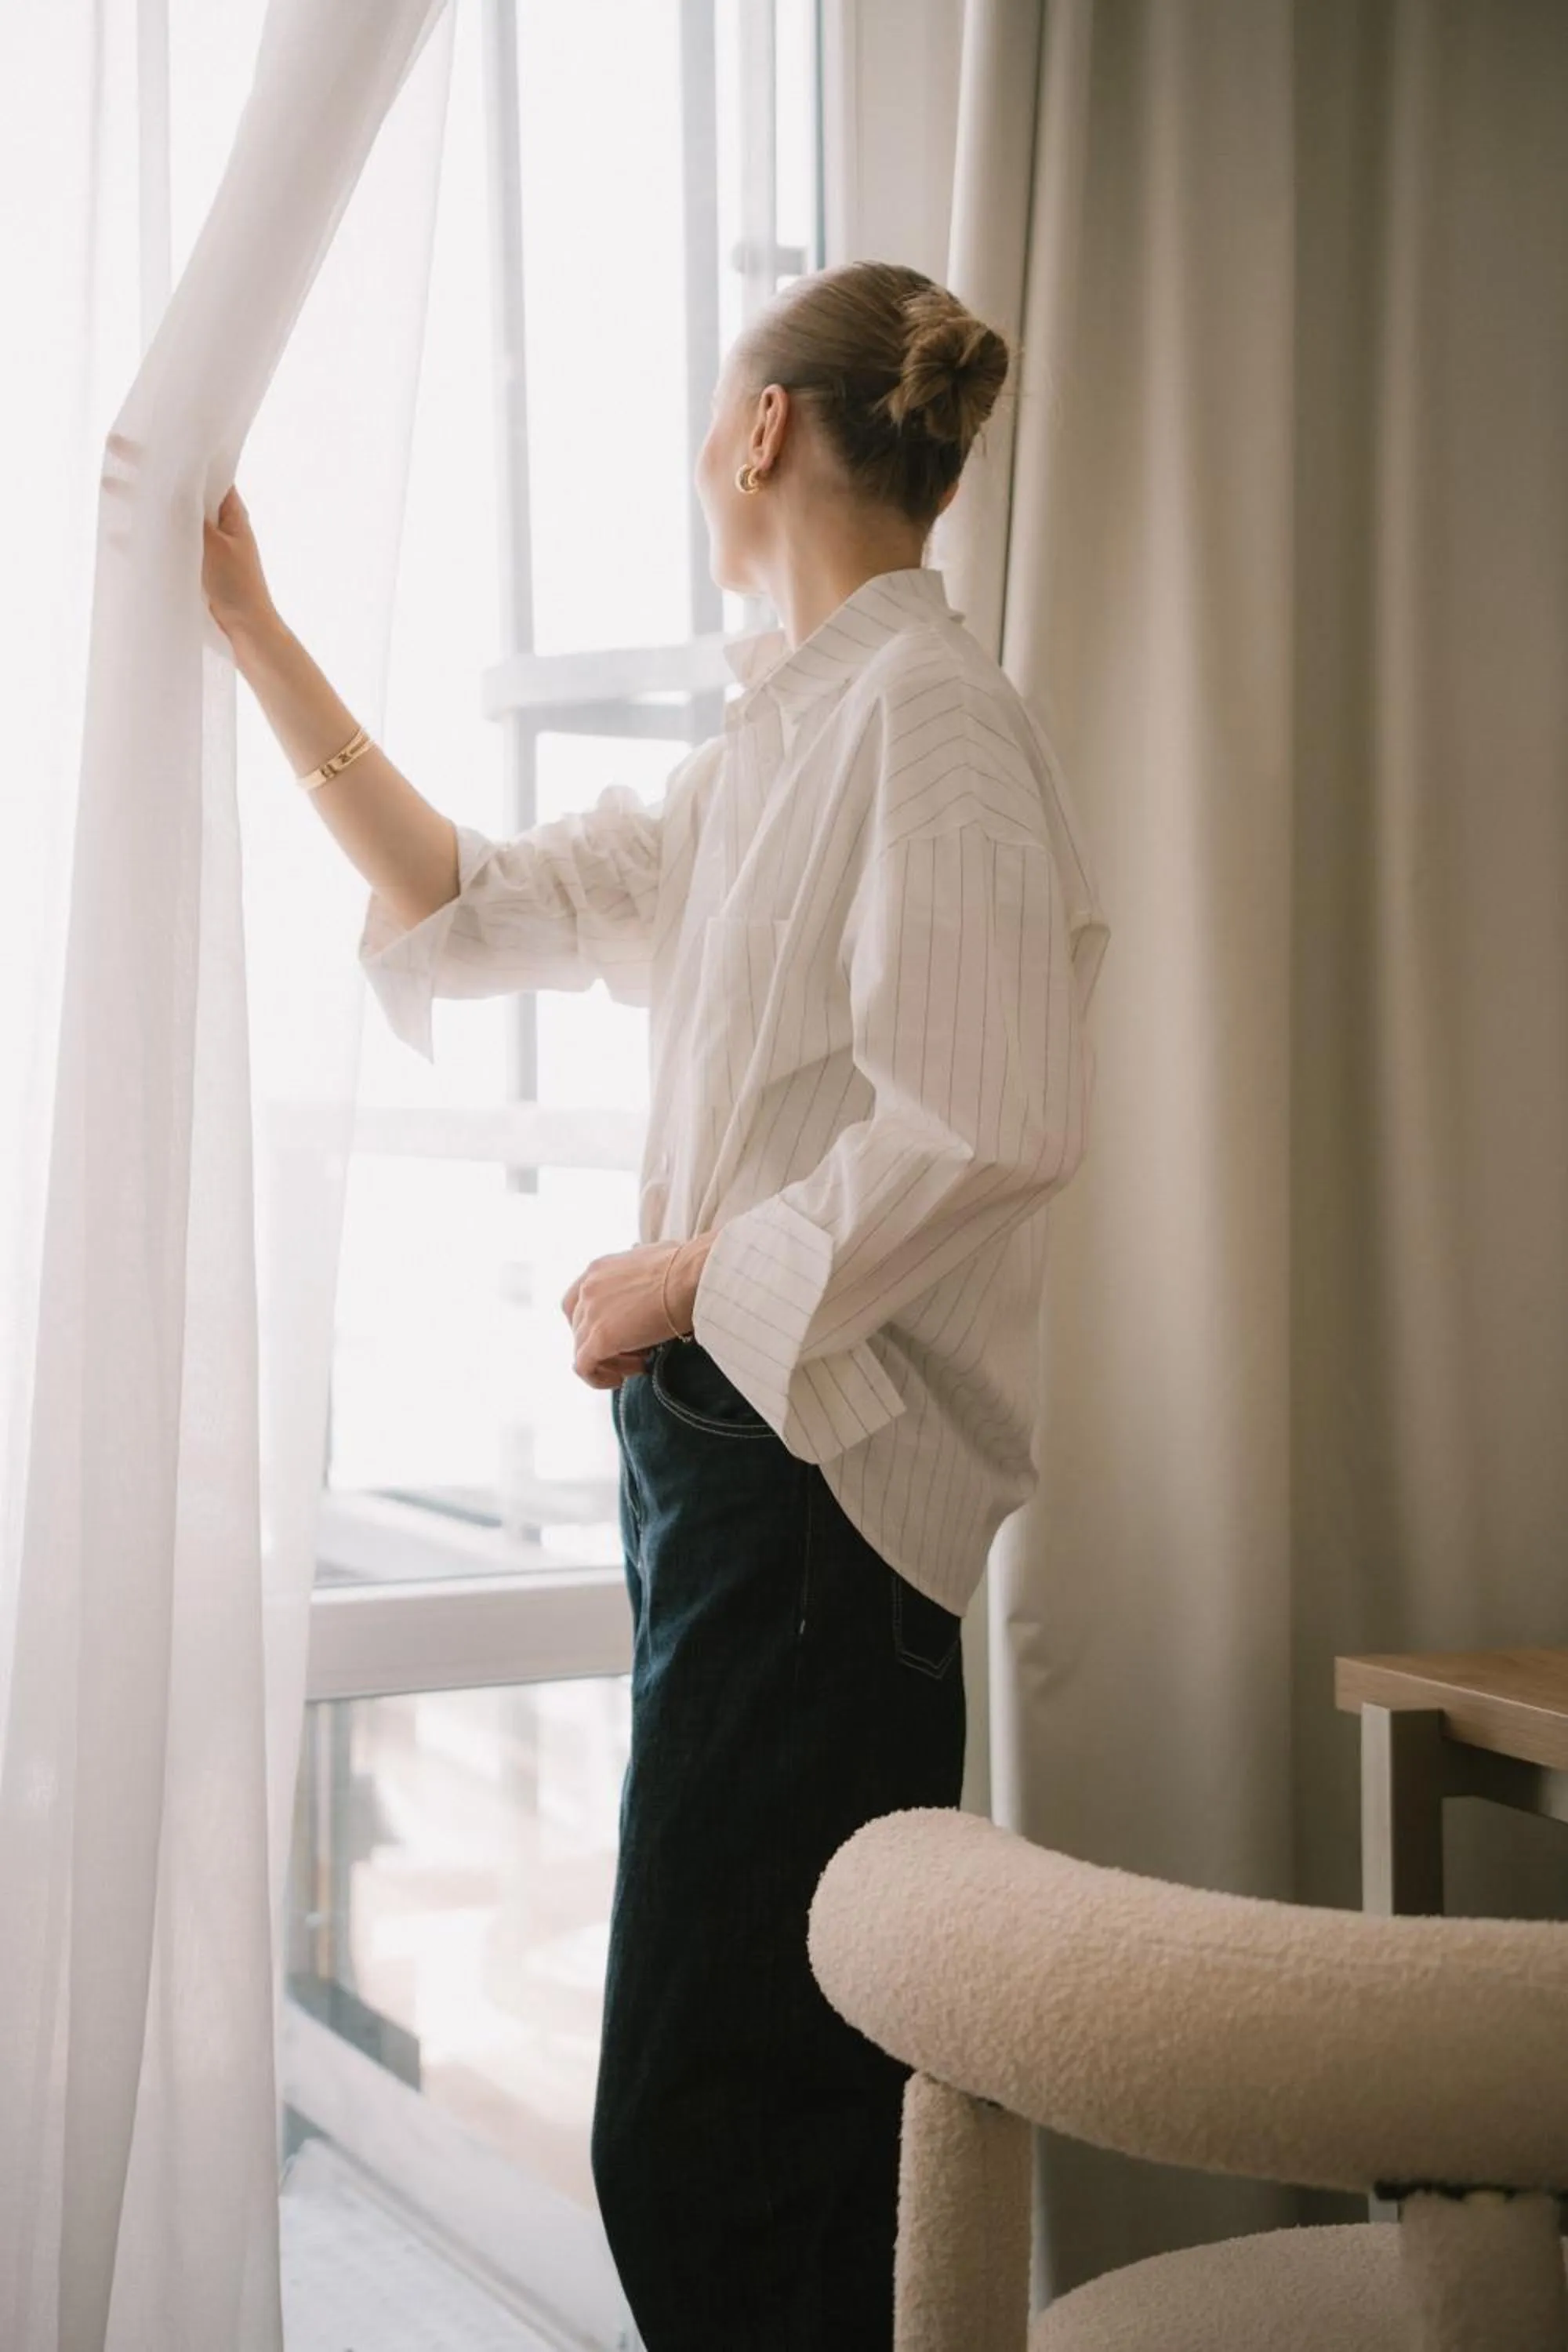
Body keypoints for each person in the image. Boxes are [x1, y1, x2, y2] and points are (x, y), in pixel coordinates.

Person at [203, 256, 1109, 2352]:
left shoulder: (932, 727)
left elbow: (984, 1119)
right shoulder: (767, 761)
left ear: (765, 428)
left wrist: (691, 1272)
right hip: (740, 1489)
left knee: (711, 2135)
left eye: (714, 403)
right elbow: (477, 904)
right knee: (763, 2132)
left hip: (812, 1502)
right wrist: (254, 633)